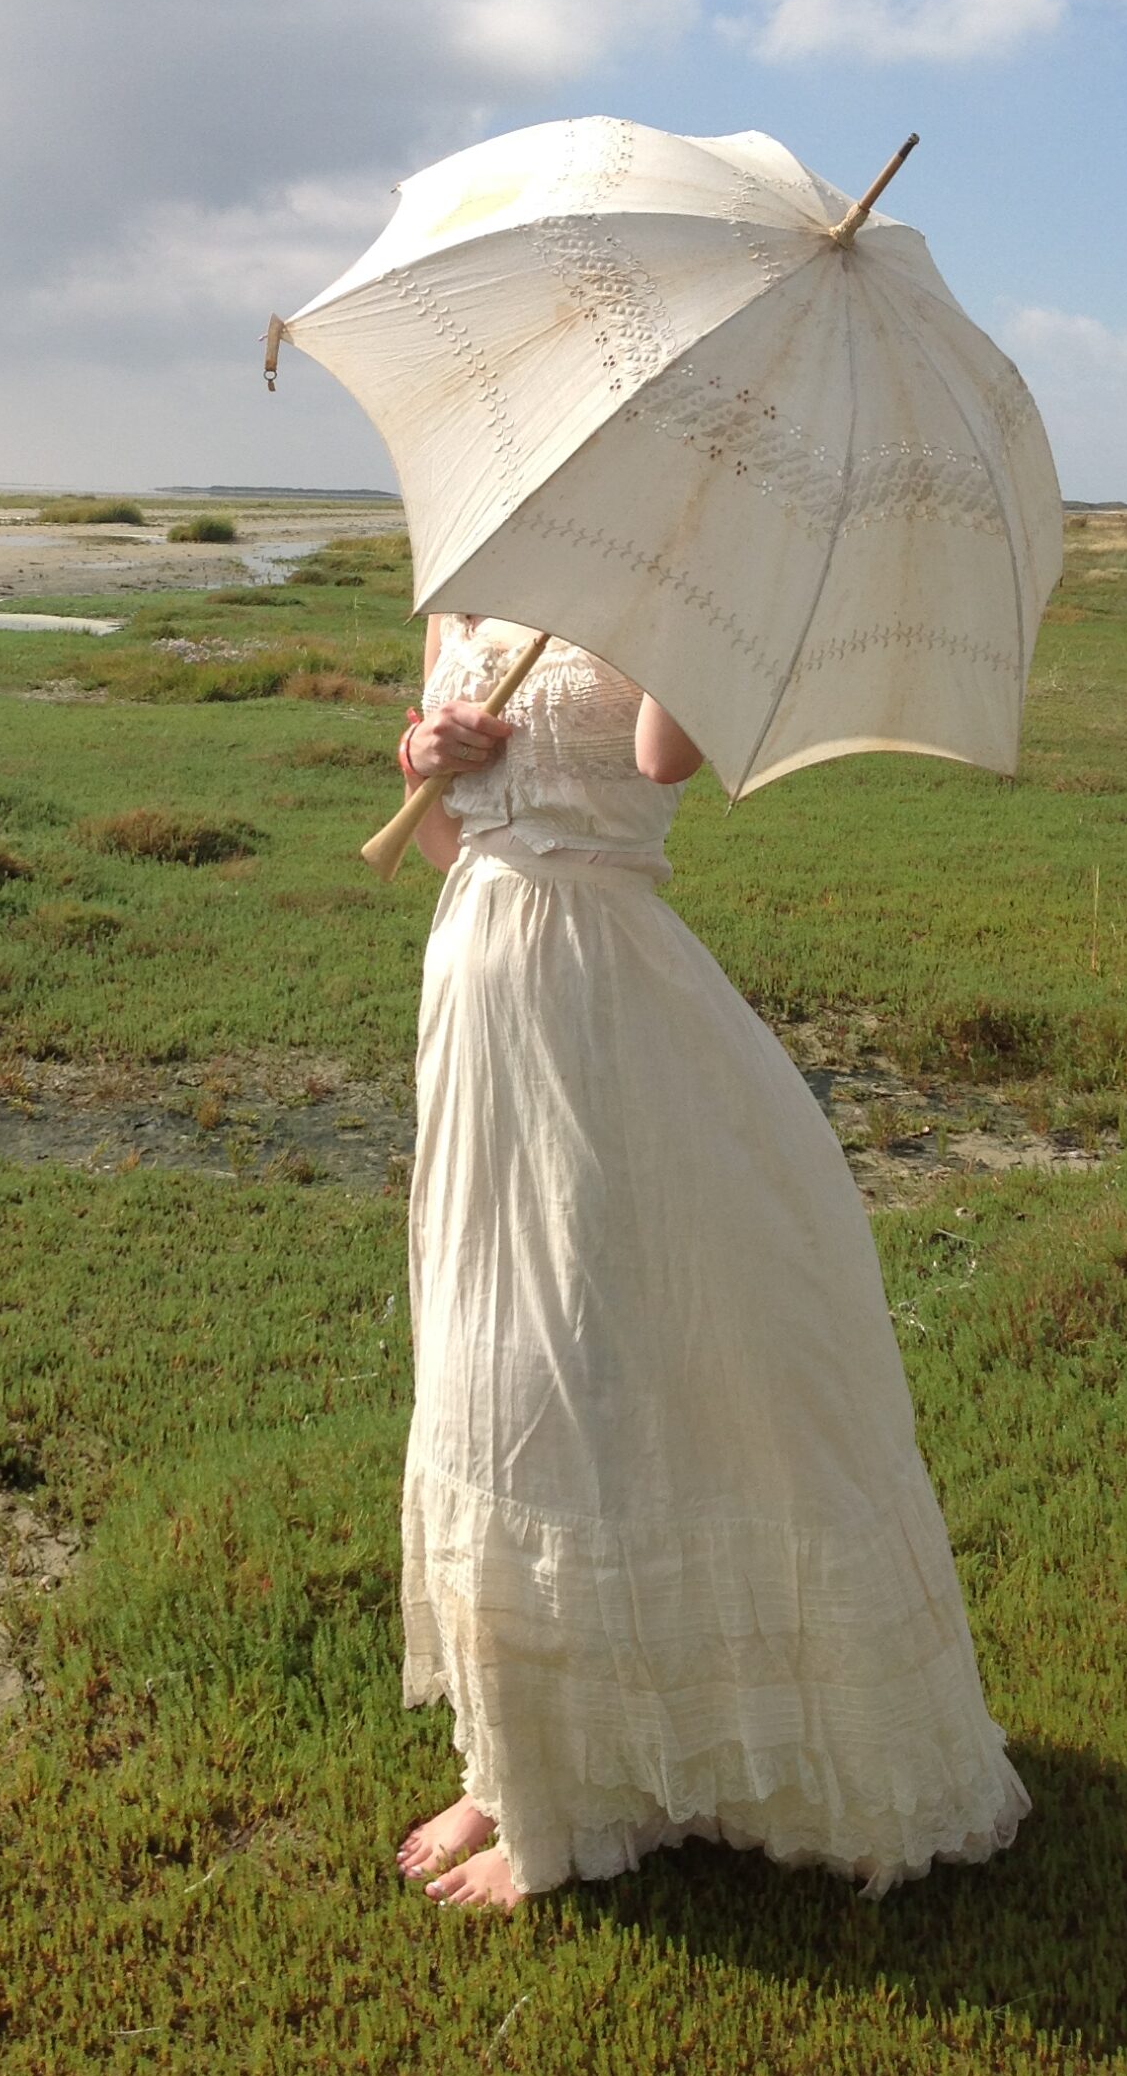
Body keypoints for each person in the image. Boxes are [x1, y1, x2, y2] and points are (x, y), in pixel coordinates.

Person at [392, 613, 1031, 1911]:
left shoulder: (669, 582)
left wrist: (663, 597)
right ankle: (515, 1765)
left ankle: (578, 1800)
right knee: (488, 1362)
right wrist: (423, 755)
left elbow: (661, 758)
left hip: (607, 1003)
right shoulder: (460, 582)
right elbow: (452, 839)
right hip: (475, 985)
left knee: (604, 1356)